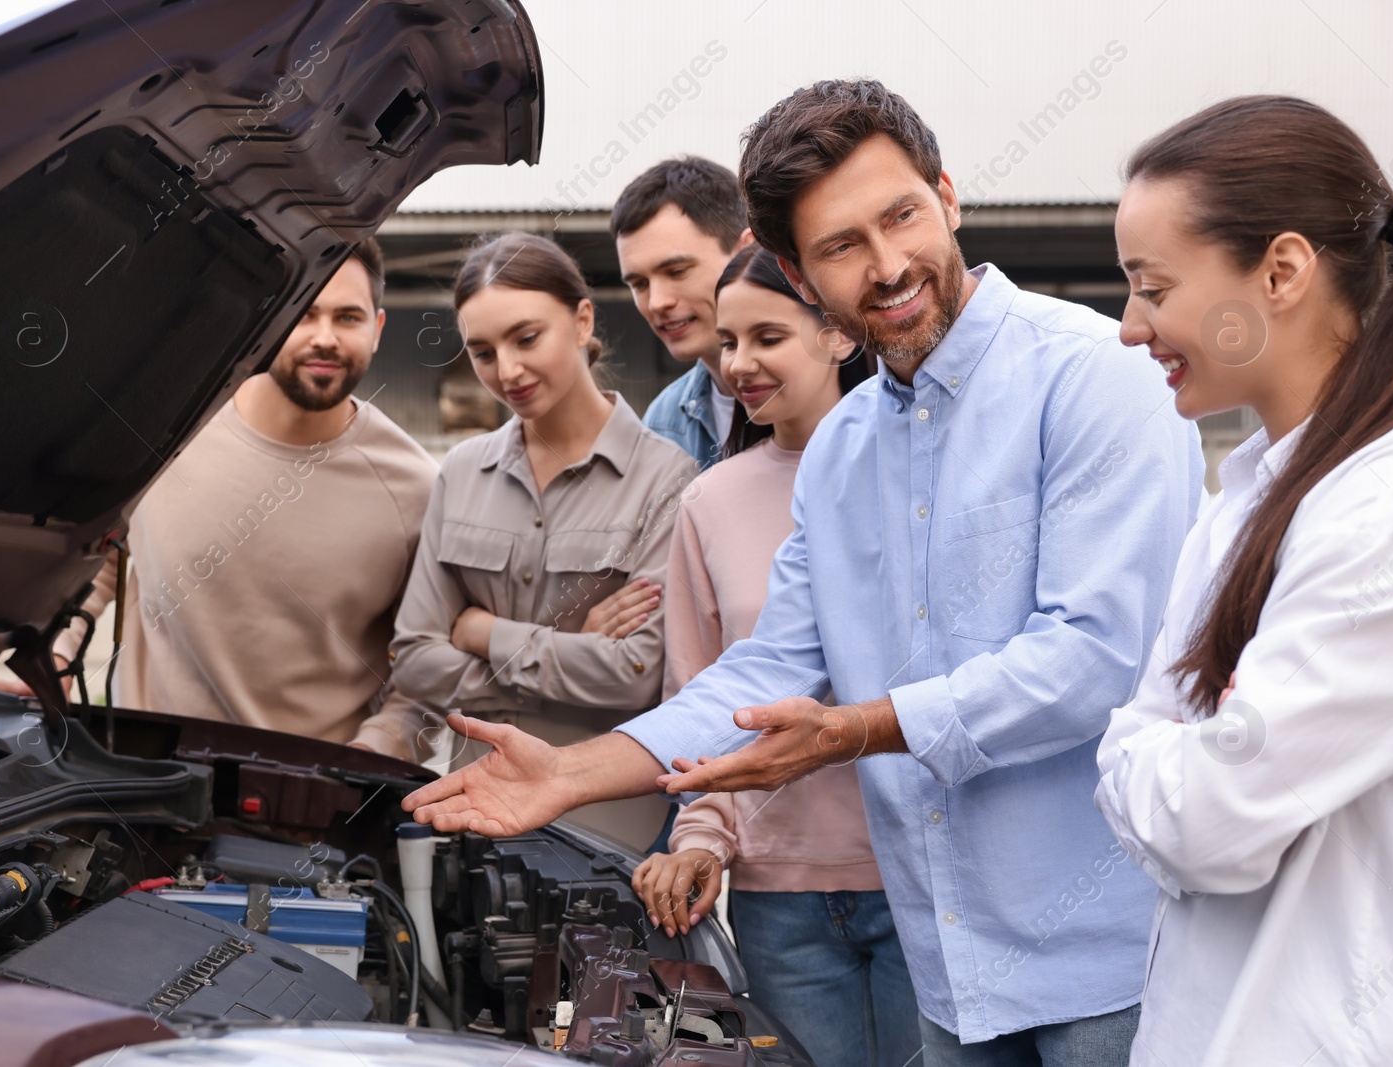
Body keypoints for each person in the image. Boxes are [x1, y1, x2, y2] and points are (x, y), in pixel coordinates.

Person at [404, 79, 1207, 1066]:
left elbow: (1093, 654)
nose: (885, 265)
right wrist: (573, 770)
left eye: (901, 216)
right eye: (839, 246)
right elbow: (763, 670)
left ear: (947, 196)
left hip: (1111, 958)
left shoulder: (1093, 374)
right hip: (948, 966)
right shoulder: (841, 452)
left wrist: (854, 731)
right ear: (796, 270)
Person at [1096, 96, 1393, 1067]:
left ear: (1281, 270)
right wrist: (1168, 742)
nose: (1129, 326)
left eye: (1151, 288)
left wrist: (1139, 740)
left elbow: (1205, 821)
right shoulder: (1251, 487)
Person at [0, 242, 443, 761]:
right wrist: (56, 661)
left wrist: (365, 761)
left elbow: (426, 676)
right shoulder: (163, 427)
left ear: (377, 329)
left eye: (348, 317)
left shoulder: (418, 490)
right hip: (141, 775)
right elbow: (106, 556)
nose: (324, 338)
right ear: (270, 320)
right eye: (306, 313)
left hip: (302, 806)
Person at [631, 244, 913, 1067]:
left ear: (837, 335)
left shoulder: (916, 479)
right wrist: (700, 839)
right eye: (727, 342)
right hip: (776, 896)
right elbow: (700, 698)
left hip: (914, 880)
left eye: (767, 337)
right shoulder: (708, 500)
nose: (739, 364)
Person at [389, 233, 698, 849]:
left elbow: (639, 674)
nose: (506, 371)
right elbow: (415, 660)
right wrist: (566, 648)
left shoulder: (668, 479)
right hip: (475, 821)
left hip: (610, 835)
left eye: (527, 338)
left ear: (582, 320)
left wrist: (485, 635)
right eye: (482, 351)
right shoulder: (461, 472)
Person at [614, 157, 753, 471]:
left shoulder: (845, 391)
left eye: (677, 271)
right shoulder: (661, 424)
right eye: (639, 284)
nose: (656, 303)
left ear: (746, 252)